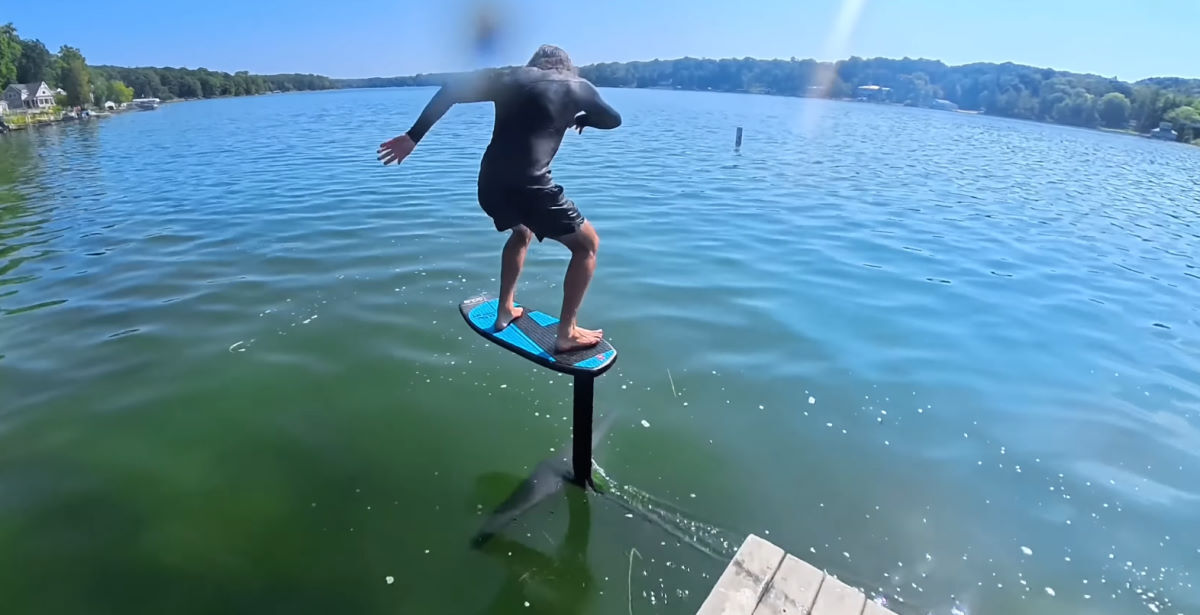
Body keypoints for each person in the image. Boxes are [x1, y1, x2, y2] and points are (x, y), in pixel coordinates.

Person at [377, 44, 622, 352]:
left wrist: (413, 136)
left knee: (522, 231)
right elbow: (613, 119)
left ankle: (505, 309)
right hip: (530, 185)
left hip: (490, 183)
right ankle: (567, 332)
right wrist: (584, 119)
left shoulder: (509, 78)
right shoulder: (577, 86)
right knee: (587, 246)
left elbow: (451, 88)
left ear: (534, 64)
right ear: (566, 67)